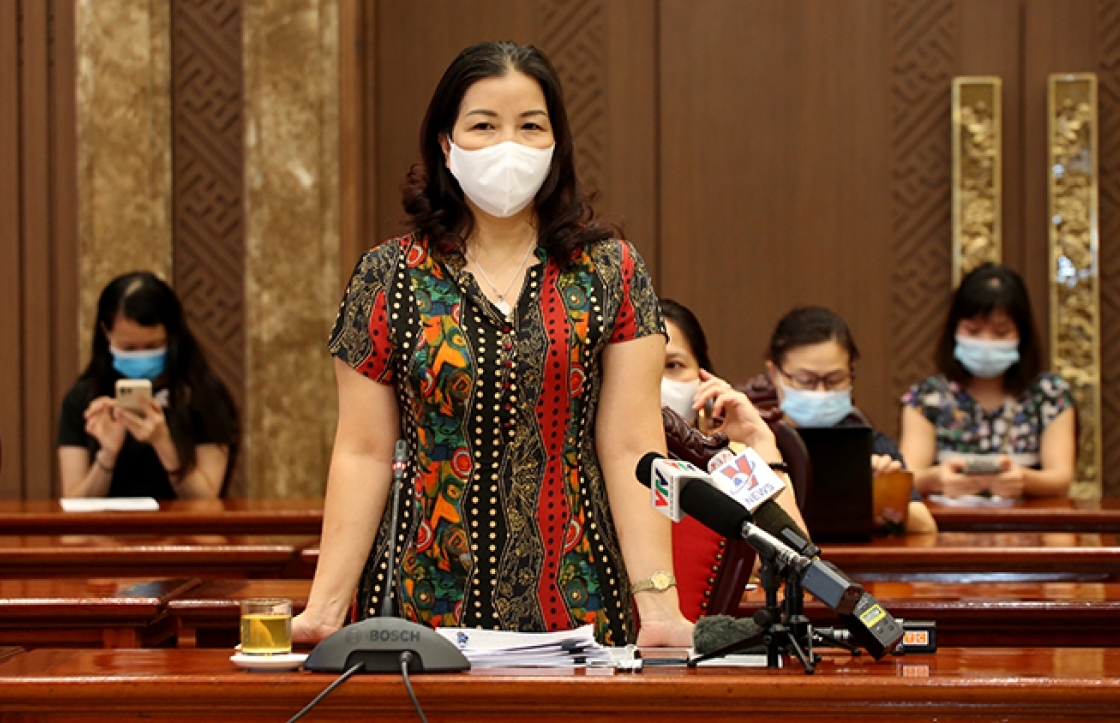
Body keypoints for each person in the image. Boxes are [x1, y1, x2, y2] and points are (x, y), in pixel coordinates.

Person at [294, 42, 779, 649]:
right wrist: (324, 608)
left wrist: (658, 607)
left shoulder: (611, 272)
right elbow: (363, 452)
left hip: (581, 599)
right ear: (446, 144)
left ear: (556, 144)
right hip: (422, 604)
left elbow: (633, 447)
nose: (509, 145)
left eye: (530, 126)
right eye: (483, 126)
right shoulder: (387, 276)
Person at [900, 263, 1076, 500]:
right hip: (947, 519)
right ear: (954, 331)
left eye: (1001, 333)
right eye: (973, 331)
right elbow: (908, 478)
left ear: (1022, 335)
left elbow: (1061, 479)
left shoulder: (1051, 395)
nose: (986, 342)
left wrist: (1025, 480)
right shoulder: (926, 398)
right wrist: (936, 479)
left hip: (1029, 520)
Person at [57, 272, 237, 500]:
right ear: (106, 333)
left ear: (171, 336)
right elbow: (74, 504)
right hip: (108, 522)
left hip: (179, 523)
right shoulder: (83, 398)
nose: (141, 356)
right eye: (129, 348)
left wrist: (163, 444)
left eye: (152, 346)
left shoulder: (205, 395)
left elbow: (206, 502)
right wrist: (107, 455)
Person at [761, 306, 937, 534]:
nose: (821, 392)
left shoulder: (871, 445)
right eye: (806, 380)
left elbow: (926, 526)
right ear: (774, 374)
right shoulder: (756, 442)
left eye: (835, 380)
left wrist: (882, 492)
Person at [659, 299, 808, 531]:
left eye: (673, 365)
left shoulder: (727, 459)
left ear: (703, 375)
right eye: (644, 368)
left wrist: (758, 442)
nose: (657, 382)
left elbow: (790, 548)